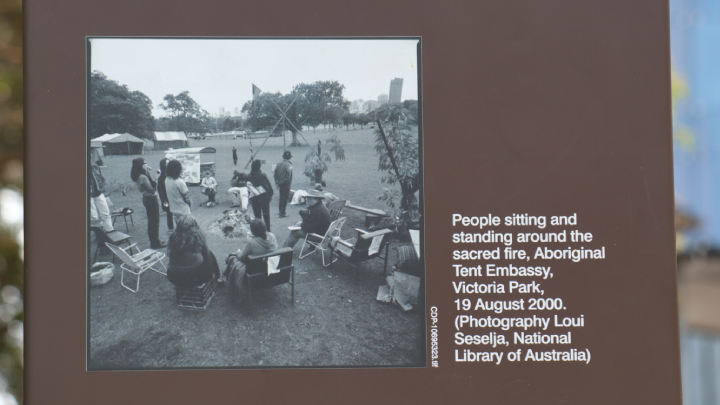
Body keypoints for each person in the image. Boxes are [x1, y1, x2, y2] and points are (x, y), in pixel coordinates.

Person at [224, 219, 279, 303]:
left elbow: (242, 257)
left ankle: (228, 279)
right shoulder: (272, 236)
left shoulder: (252, 243)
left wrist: (237, 252)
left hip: (256, 273)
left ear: (253, 231)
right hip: (270, 267)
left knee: (232, 258)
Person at [166, 216, 222, 287]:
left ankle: (218, 276)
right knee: (210, 254)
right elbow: (206, 252)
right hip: (195, 277)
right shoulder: (197, 237)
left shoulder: (173, 237)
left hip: (174, 277)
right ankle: (218, 276)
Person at [130, 158, 165, 249]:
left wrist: (148, 172)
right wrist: (157, 178)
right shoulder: (143, 177)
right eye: (145, 163)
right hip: (151, 199)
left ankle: (155, 241)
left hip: (146, 198)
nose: (147, 164)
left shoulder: (139, 175)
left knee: (152, 221)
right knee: (154, 221)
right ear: (141, 165)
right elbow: (152, 189)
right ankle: (155, 243)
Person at [248, 159, 274, 232]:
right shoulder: (262, 175)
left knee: (257, 216)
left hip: (254, 198)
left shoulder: (249, 176)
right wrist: (270, 195)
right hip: (264, 198)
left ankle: (259, 231)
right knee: (266, 215)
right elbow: (268, 186)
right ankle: (268, 230)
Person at [90, 161, 114, 232]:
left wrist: (103, 185)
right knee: (93, 216)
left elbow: (102, 177)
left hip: (99, 193)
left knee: (105, 213)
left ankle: (110, 230)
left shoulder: (95, 166)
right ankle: (98, 234)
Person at [274, 150, 293, 218]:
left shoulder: (279, 164)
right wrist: (285, 181)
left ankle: (280, 211)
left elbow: (275, 174)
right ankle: (283, 212)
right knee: (285, 198)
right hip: (286, 183)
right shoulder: (288, 164)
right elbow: (289, 175)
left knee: (281, 197)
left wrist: (277, 182)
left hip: (280, 183)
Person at [157, 158, 174, 233]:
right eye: (166, 164)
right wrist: (163, 200)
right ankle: (171, 228)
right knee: (169, 213)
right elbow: (160, 190)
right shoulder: (162, 177)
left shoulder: (172, 174)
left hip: (173, 196)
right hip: (167, 197)